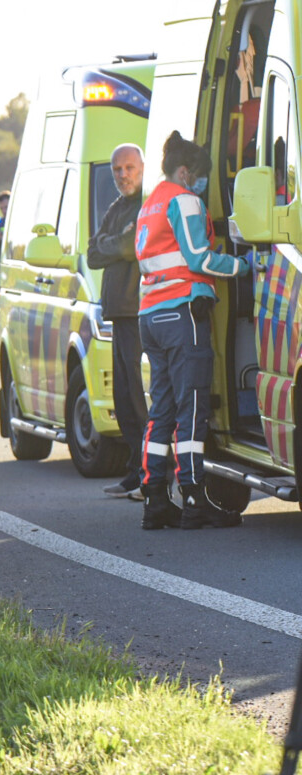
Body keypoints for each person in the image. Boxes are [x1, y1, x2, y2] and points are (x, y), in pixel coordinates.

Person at [134, 131, 249, 530]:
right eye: (199, 176)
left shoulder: (150, 203)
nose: (201, 185)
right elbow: (198, 258)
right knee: (193, 408)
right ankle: (195, 497)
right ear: (185, 171)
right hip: (183, 312)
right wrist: (243, 266)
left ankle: (154, 500)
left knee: (161, 411)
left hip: (151, 315)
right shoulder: (183, 199)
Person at [87, 143, 148, 500]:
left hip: (137, 312)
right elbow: (94, 252)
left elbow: (130, 247)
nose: (123, 175)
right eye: (117, 170)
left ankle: (149, 473)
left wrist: (117, 243)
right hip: (119, 314)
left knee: (139, 399)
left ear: (142, 167)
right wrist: (117, 242)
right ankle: (134, 469)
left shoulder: (145, 203)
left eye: (129, 167)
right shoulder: (118, 207)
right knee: (123, 398)